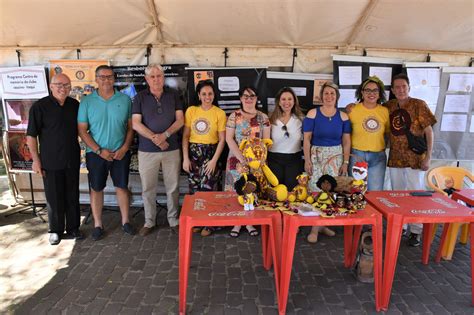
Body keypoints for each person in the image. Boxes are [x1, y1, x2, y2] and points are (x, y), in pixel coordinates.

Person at [78, 65, 135, 241]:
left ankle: (126, 221)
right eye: (102, 77)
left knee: (122, 187)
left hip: (120, 152)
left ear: (114, 78)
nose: (106, 80)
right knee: (96, 188)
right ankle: (97, 224)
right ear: (96, 79)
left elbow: (131, 127)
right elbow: (82, 130)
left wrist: (124, 148)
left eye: (109, 77)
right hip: (96, 154)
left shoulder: (125, 100)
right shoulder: (87, 101)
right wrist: (98, 150)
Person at [27, 73, 83, 245]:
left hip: (71, 158)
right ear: (51, 86)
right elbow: (31, 136)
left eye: (66, 85)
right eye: (59, 84)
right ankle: (55, 230)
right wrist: (36, 160)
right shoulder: (39, 107)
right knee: (54, 196)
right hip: (50, 161)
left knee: (72, 195)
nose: (63, 88)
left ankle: (73, 227)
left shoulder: (75, 105)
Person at [132, 63, 184, 237]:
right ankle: (149, 221)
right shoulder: (140, 97)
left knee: (173, 186)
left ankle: (173, 220)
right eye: (152, 76)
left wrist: (166, 134)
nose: (156, 79)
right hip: (147, 150)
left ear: (164, 77)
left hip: (172, 148)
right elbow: (136, 123)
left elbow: (180, 121)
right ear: (147, 79)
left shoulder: (174, 95)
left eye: (159, 75)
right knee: (148, 188)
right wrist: (156, 138)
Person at [385, 73, 436, 246]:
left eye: (403, 86)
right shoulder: (389, 106)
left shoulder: (419, 105)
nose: (400, 90)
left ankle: (416, 230)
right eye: (397, 87)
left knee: (417, 194)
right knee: (397, 194)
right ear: (392, 90)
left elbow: (429, 131)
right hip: (395, 159)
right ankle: (401, 226)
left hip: (416, 158)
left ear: (409, 88)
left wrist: (428, 157)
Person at [303, 82, 351, 243]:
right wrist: (307, 160)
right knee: (316, 190)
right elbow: (307, 140)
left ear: (337, 97)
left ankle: (320, 225)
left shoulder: (343, 116)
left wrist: (345, 162)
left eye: (332, 93)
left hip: (335, 158)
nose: (329, 96)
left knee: (331, 191)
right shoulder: (312, 114)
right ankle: (316, 227)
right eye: (326, 93)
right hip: (317, 156)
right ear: (321, 96)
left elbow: (346, 142)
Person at [225, 86, 270, 238]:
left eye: (252, 96)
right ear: (240, 98)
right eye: (245, 96)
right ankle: (237, 221)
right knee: (236, 190)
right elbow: (229, 138)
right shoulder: (234, 116)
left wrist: (258, 160)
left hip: (256, 161)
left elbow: (266, 141)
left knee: (252, 189)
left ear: (257, 98)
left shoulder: (263, 118)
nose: (249, 98)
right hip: (236, 159)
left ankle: (250, 222)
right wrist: (241, 158)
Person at [182, 80, 226, 236]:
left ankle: (210, 224)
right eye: (204, 94)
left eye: (210, 94)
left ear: (214, 95)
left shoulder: (219, 113)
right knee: (195, 191)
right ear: (199, 96)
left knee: (209, 190)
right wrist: (185, 158)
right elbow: (186, 136)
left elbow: (222, 139)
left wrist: (214, 160)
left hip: (211, 154)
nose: (207, 97)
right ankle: (198, 221)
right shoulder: (191, 111)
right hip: (194, 153)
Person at [348, 76, 389, 192]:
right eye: (368, 90)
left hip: (378, 156)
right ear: (362, 92)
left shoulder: (384, 111)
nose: (371, 93)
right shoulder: (353, 110)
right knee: (356, 190)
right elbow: (346, 134)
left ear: (380, 93)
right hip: (357, 154)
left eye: (375, 90)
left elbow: (387, 133)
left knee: (375, 190)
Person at [268, 87, 304, 191]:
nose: (286, 102)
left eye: (290, 99)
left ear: (294, 101)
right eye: (283, 99)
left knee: (291, 192)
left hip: (294, 160)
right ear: (278, 102)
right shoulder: (270, 119)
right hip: (274, 160)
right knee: (275, 192)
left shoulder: (301, 119)